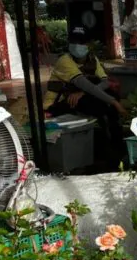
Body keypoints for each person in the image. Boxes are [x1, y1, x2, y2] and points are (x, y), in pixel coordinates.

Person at [45, 27, 127, 166]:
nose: (77, 45)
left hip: (79, 99)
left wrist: (83, 93)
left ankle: (116, 149)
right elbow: (84, 84)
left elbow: (105, 82)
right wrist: (115, 103)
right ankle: (112, 152)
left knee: (106, 98)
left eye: (81, 42)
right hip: (57, 105)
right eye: (74, 41)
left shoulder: (92, 60)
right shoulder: (64, 61)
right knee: (104, 104)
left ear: (88, 45)